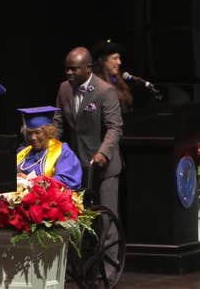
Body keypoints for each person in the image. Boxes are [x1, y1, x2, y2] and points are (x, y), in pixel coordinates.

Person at [52, 46, 123, 278]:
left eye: (74, 69)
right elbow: (59, 122)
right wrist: (48, 145)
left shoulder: (105, 91)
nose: (69, 73)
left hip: (104, 165)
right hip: (77, 165)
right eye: (66, 69)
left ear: (88, 68)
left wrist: (103, 152)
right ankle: (81, 266)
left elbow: (114, 128)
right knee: (80, 217)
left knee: (105, 217)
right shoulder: (64, 89)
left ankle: (110, 268)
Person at [16, 106, 82, 190]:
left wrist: (30, 181)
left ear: (49, 132)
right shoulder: (22, 152)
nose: (33, 137)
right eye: (29, 133)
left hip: (50, 200)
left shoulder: (63, 153)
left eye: (37, 132)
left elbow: (65, 181)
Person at [91, 39, 133, 115]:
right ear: (102, 61)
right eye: (115, 58)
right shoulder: (94, 84)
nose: (119, 62)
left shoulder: (117, 79)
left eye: (119, 58)